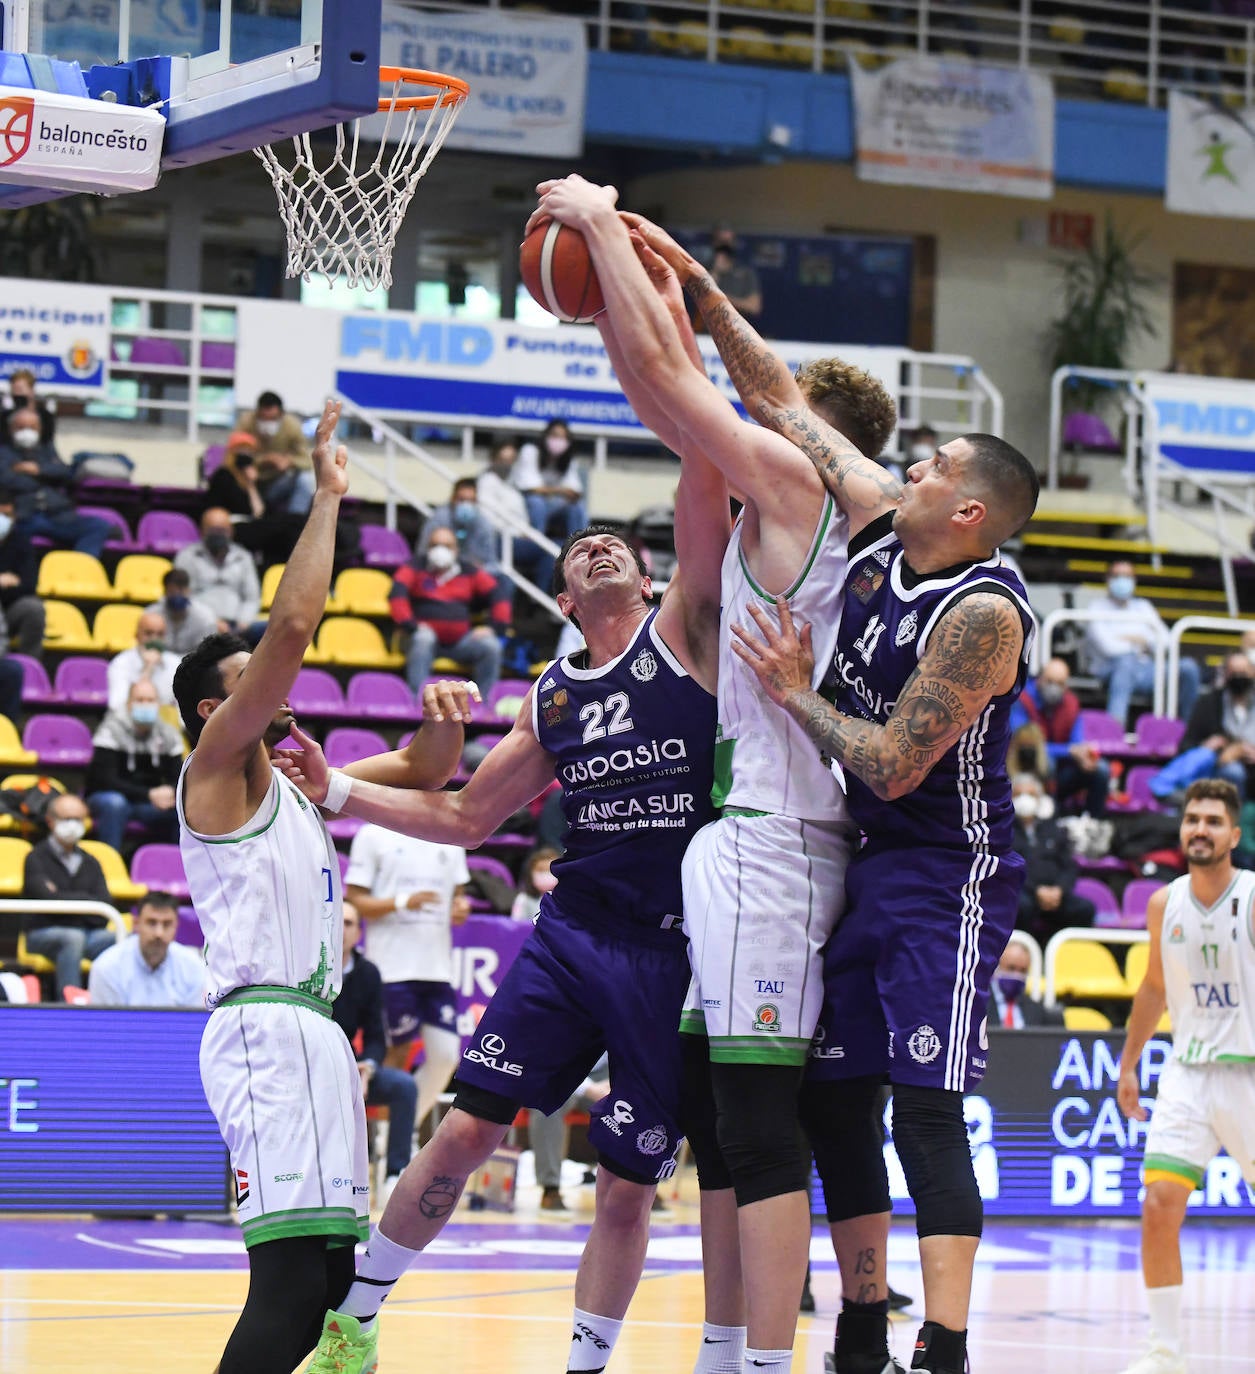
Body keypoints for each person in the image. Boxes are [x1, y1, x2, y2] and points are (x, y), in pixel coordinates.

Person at [278, 243, 733, 1374]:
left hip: (678, 953)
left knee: (628, 1182)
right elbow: (467, 819)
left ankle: (584, 1363)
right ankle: (358, 1318)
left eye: (613, 543)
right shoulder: (554, 691)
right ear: (565, 594)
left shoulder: (689, 634)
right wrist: (337, 790)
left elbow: (702, 463)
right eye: (580, 550)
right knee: (469, 1125)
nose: (595, 547)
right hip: (575, 935)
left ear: (642, 574)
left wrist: (658, 317)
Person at [639, 207, 1039, 1374]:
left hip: (946, 873)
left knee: (921, 1106)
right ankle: (859, 1322)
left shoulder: (980, 613)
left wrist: (794, 689)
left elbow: (893, 761)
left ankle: (946, 1344)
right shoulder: (883, 528)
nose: (906, 467)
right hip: (868, 863)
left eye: (931, 468)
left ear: (963, 512)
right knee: (837, 1101)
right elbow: (780, 403)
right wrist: (700, 290)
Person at [527, 178, 900, 1374]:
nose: (748, 414)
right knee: (727, 1137)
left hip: (774, 838)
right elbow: (687, 402)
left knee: (754, 1125)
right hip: (757, 837)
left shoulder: (804, 493)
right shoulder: (782, 510)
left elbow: (670, 392)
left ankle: (763, 1365)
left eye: (766, 408)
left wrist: (593, 225)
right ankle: (727, 1352)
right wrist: (660, 282)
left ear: (797, 433)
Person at [170, 398, 475, 1374]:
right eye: (254, 677)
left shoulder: (297, 788)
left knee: (334, 1290)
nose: (283, 689)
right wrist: (331, 494)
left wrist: (442, 718)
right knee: (293, 1288)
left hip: (310, 1033)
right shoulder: (215, 771)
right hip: (264, 1030)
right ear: (219, 707)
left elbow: (426, 770)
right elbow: (296, 623)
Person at [1116, 778, 1255, 1374]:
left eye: (1213, 820)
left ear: (1234, 834)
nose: (1201, 828)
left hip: (1249, 1073)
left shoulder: (1251, 896)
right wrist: (1129, 1062)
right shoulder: (1162, 903)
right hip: (1188, 1073)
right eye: (1193, 818)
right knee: (1159, 1204)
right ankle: (1165, 1353)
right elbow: (1154, 986)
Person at [343, 821, 471, 1139]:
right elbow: (355, 902)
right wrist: (402, 902)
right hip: (391, 968)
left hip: (437, 968)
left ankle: (399, 1134)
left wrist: (460, 909)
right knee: (394, 1058)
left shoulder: (450, 835)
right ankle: (370, 1143)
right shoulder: (373, 834)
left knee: (445, 1058)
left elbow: (458, 898)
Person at [332, 900, 420, 1204]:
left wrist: (366, 1066)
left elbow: (375, 1036)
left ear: (359, 931)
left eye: (349, 923)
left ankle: (396, 1173)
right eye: (336, 921)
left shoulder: (368, 973)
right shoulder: (307, 968)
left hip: (354, 1069)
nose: (341, 930)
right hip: (313, 1066)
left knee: (404, 1086)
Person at [389, 525, 511, 696]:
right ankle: (418, 702)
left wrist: (494, 628)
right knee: (423, 638)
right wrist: (411, 626)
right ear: (428, 548)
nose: (440, 550)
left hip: (460, 642)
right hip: (423, 639)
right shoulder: (415, 566)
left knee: (491, 646)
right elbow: (396, 595)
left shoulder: (468, 570)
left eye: (447, 546)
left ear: (456, 549)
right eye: (435, 545)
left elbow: (498, 594)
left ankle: (483, 706)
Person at [22, 791, 116, 998]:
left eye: (78, 819)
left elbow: (105, 905)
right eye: (67, 819)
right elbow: (46, 903)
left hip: (88, 934)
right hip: (41, 934)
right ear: (50, 821)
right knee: (71, 938)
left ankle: (112, 1004)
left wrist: (64, 898)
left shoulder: (91, 861)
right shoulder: (35, 858)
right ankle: (71, 1004)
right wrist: (85, 900)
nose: (73, 825)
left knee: (117, 939)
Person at [1084, 560, 1201, 727]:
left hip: (1147, 670)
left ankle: (1187, 732)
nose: (1122, 581)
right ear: (1108, 579)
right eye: (1118, 576)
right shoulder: (1096, 607)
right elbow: (1109, 648)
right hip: (1111, 670)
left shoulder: (1143, 607)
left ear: (1134, 581)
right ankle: (1114, 732)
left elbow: (1167, 641)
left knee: (1188, 667)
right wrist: (1140, 642)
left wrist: (1138, 640)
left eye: (1127, 576)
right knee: (1125, 663)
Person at [85, 678, 184, 853]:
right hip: (110, 797)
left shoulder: (168, 734)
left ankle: (174, 869)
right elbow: (103, 780)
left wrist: (169, 791)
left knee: (184, 808)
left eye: (150, 700)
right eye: (139, 700)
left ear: (158, 705)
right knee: (115, 804)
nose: (145, 705)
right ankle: (110, 865)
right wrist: (149, 793)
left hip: (148, 803)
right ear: (129, 704)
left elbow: (179, 777)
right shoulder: (110, 730)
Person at [0, 406, 112, 557]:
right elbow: (7, 480)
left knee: (98, 526)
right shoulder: (4, 453)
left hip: (58, 517)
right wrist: (47, 478)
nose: (27, 432)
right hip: (25, 517)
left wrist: (38, 470)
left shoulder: (46, 451)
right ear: (11, 429)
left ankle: (79, 570)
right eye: (21, 427)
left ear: (39, 429)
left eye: (32, 427)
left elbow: (66, 472)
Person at [1010, 656, 1110, 816]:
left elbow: (1077, 743)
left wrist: (1084, 756)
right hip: (1027, 768)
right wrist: (1069, 751)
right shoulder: (1022, 700)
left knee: (1101, 769)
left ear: (1066, 686)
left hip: (1062, 773)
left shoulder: (1071, 703)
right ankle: (1044, 819)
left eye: (1060, 683)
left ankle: (1091, 823)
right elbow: (1023, 743)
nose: (1054, 687)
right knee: (1046, 762)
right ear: (1040, 679)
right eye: (1050, 681)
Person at [1011, 772, 1095, 947]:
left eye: (1031, 795)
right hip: (1024, 893)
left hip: (1056, 894)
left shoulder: (1053, 829)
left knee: (1085, 909)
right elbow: (1009, 868)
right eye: (1018, 795)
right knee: (1021, 907)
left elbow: (1069, 866)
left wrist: (1059, 890)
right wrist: (1036, 890)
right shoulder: (1003, 832)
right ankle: (1025, 957)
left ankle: (1062, 955)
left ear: (1040, 799)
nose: (1025, 800)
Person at [87, 891, 206, 1008]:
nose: (159, 933)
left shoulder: (194, 967)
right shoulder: (106, 968)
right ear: (136, 924)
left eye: (167, 924)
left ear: (176, 927)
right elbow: (106, 1025)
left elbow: (192, 1025)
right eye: (151, 923)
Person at [530, 1054, 610, 1212]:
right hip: (558, 1072)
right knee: (548, 1106)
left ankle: (640, 1185)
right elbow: (547, 1056)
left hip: (607, 1073)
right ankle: (550, 1187)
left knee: (637, 1103)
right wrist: (588, 1088)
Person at [477, 437, 556, 592]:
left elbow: (522, 517)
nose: (507, 464)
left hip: (517, 537)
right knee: (555, 550)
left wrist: (525, 531)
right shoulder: (486, 481)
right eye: (502, 459)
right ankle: (538, 598)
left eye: (511, 460)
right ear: (493, 458)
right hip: (499, 540)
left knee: (558, 549)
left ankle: (539, 595)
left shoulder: (511, 485)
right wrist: (518, 532)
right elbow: (487, 518)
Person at [174, 507, 262, 635]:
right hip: (200, 625)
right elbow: (184, 597)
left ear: (231, 532)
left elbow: (252, 598)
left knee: (275, 632)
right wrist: (211, 622)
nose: (218, 535)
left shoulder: (243, 557)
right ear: (202, 531)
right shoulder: (187, 557)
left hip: (239, 626)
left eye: (222, 530)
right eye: (213, 530)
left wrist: (243, 622)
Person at [237, 389, 315, 515]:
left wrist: (288, 462)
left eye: (272, 419)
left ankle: (294, 522)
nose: (268, 423)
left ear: (281, 415)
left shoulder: (292, 426)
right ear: (257, 414)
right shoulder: (246, 423)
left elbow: (306, 461)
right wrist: (264, 460)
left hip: (277, 483)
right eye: (263, 418)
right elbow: (235, 457)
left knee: (305, 478)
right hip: (250, 483)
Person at [513, 419, 588, 541]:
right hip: (526, 503)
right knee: (537, 502)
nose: (559, 441)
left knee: (576, 507)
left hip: (553, 504)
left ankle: (579, 545)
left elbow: (574, 491)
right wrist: (560, 491)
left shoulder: (569, 460)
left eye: (563, 437)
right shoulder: (530, 451)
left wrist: (563, 493)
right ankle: (536, 542)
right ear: (546, 436)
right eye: (555, 435)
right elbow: (531, 488)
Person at [0, 485, 45, 660]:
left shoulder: (20, 542)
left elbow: (29, 584)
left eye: (6, 516)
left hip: (9, 609)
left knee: (33, 608)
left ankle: (30, 667)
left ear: (15, 517)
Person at [106, 609, 181, 712]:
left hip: (166, 724)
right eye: (148, 633)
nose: (154, 640)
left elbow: (184, 707)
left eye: (160, 634)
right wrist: (147, 669)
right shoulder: (121, 663)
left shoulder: (175, 663)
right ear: (136, 636)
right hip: (128, 724)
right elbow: (117, 706)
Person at [415, 476, 498, 570]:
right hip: (440, 569)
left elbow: (492, 563)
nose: (466, 505)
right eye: (461, 500)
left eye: (471, 501)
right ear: (452, 499)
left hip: (472, 575)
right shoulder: (439, 519)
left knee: (504, 580)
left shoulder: (483, 524)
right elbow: (422, 553)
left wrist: (480, 569)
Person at [988, 932, 1063, 1029]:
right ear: (996, 967)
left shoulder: (1037, 1011)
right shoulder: (977, 1004)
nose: (1017, 975)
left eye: (1023, 970)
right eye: (1011, 968)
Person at [146, 567, 219, 657]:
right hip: (159, 663)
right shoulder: (151, 615)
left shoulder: (205, 618)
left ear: (188, 590)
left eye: (180, 590)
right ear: (165, 591)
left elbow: (207, 655)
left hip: (193, 665)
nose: (177, 595)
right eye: (172, 591)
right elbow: (145, 647)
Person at [708, 227, 762, 324]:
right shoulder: (704, 269)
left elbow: (754, 307)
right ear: (714, 243)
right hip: (707, 331)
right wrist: (716, 271)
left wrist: (723, 299)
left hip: (736, 329)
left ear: (734, 243)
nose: (724, 246)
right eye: (721, 241)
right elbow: (704, 299)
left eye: (728, 241)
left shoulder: (745, 273)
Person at [4, 366, 56, 445]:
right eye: (13, 390)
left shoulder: (45, 416)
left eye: (20, 389)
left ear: (31, 390)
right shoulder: (6, 416)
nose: (16, 394)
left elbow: (48, 442)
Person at [511, 843, 561, 922]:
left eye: (550, 870)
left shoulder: (566, 899)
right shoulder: (523, 899)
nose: (546, 874)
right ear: (530, 874)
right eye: (541, 870)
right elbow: (516, 925)